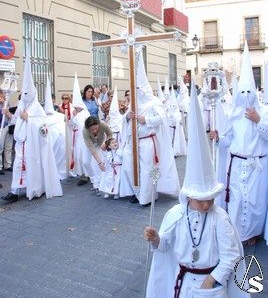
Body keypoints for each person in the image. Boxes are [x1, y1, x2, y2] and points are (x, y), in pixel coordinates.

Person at [144, 80, 248, 298]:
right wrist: (155, 239)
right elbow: (165, 247)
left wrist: (211, 280)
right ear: (188, 196)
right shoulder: (175, 215)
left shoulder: (220, 219)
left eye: (211, 198)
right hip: (182, 285)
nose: (207, 204)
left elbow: (231, 255)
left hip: (211, 285)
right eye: (201, 199)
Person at [209, 41, 268, 246]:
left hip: (256, 167)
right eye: (241, 92)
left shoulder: (264, 112)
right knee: (236, 200)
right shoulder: (234, 116)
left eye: (247, 92)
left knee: (253, 202)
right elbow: (229, 140)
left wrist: (258, 120)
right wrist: (219, 138)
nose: (244, 96)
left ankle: (252, 233)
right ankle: (236, 234)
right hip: (236, 166)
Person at [1, 49, 62, 203]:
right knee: (17, 167)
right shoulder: (21, 105)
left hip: (32, 145)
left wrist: (29, 119)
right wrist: (6, 112)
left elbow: (43, 129)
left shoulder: (37, 109)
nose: (26, 97)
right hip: (20, 143)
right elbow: (14, 120)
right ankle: (15, 191)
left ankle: (33, 188)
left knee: (30, 167)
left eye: (28, 94)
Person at [120, 52, 180, 206]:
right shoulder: (134, 103)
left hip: (147, 141)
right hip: (133, 141)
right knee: (130, 167)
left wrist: (145, 119)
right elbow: (125, 119)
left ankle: (147, 196)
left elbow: (162, 119)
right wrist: (127, 117)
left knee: (147, 170)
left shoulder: (154, 102)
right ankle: (136, 191)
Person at [82, 116, 113, 196]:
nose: (95, 131)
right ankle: (93, 180)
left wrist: (106, 142)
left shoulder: (103, 124)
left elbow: (110, 134)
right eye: (92, 129)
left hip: (100, 143)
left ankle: (97, 185)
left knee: (95, 164)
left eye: (96, 128)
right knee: (85, 162)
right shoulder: (85, 131)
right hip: (89, 144)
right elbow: (92, 149)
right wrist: (99, 162)